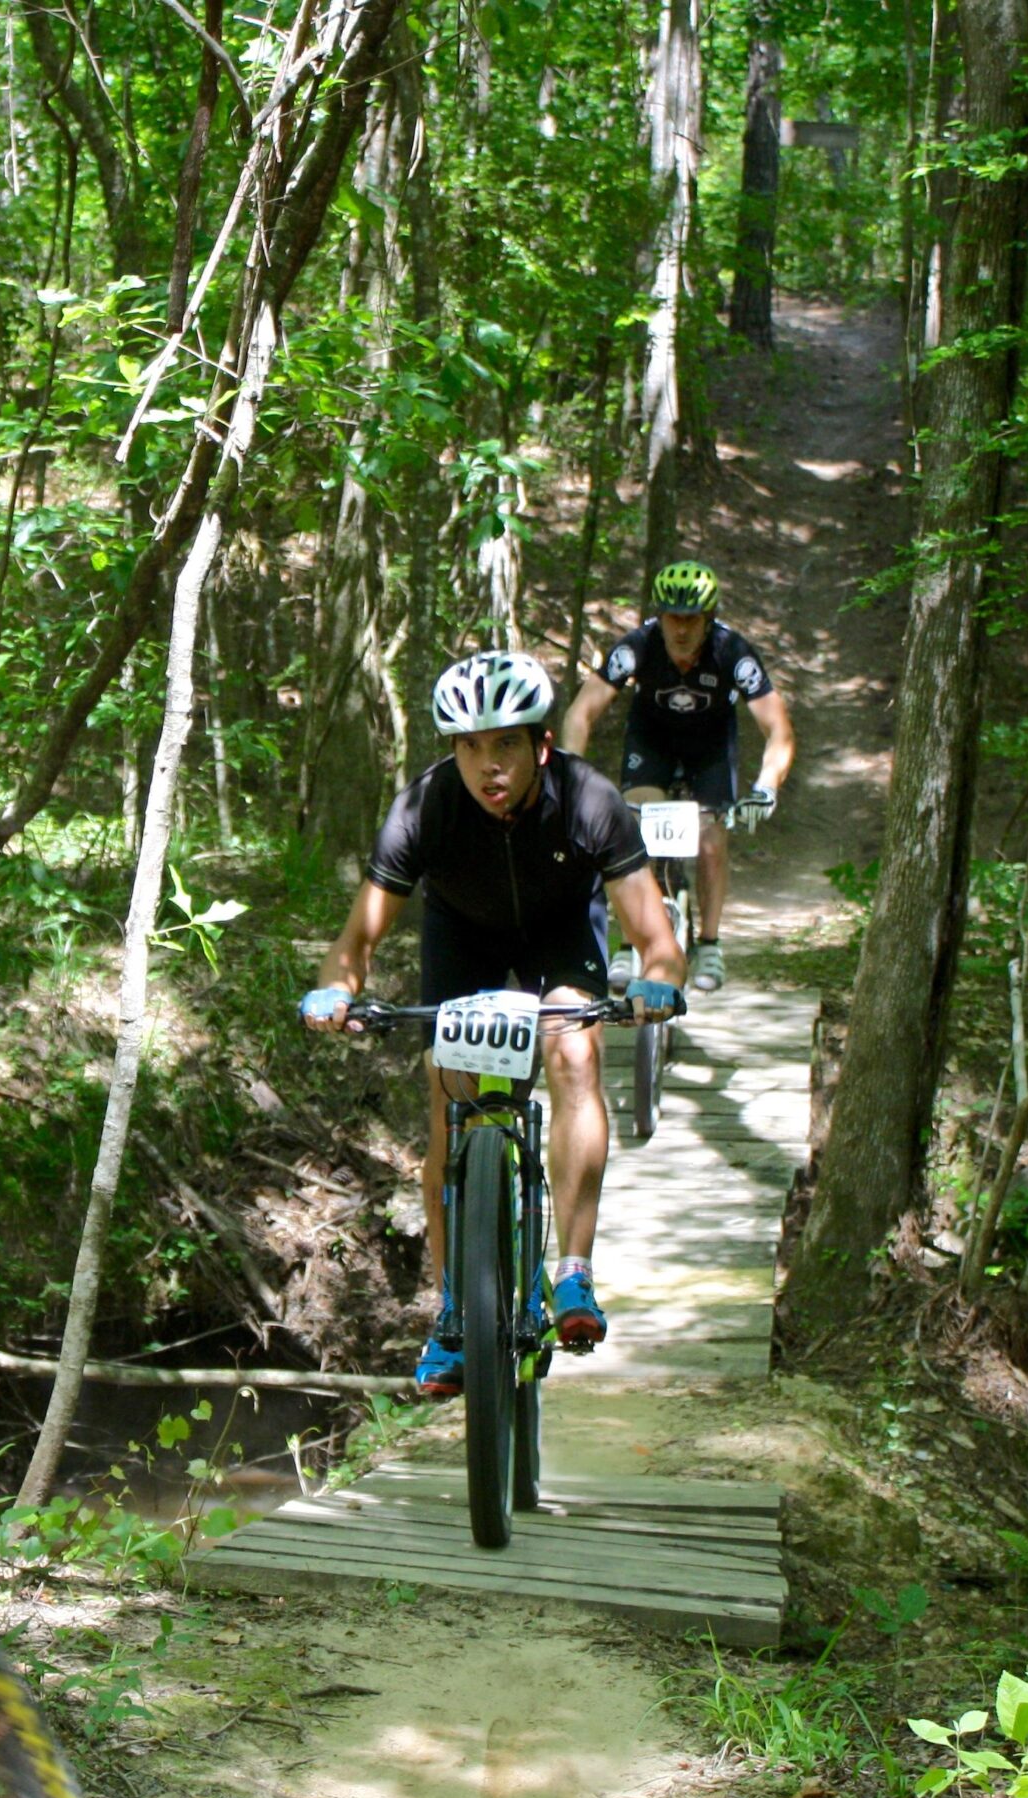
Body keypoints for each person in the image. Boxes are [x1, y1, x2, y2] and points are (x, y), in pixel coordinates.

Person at [298, 651, 685, 1394]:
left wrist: (658, 986)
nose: (487, 765)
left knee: (573, 1050)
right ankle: (452, 1312)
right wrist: (334, 993)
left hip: (561, 931)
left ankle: (572, 1273)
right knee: (450, 1098)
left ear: (542, 744)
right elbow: (354, 944)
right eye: (469, 746)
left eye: (505, 742)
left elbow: (658, 943)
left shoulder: (591, 800)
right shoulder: (423, 810)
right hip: (463, 935)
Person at [557, 560, 796, 994]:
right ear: (659, 615)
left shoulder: (732, 652)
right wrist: (569, 776)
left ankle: (709, 943)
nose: (681, 629)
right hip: (653, 745)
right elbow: (581, 712)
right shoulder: (637, 647)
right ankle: (630, 946)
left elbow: (778, 729)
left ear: (708, 619)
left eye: (692, 619)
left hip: (710, 748)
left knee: (711, 838)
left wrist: (766, 788)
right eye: (673, 617)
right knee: (635, 830)